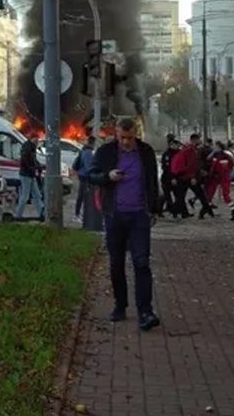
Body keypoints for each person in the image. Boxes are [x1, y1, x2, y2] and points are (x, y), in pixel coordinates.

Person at [88, 117, 162, 332]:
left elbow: (152, 182)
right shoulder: (106, 152)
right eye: (122, 138)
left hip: (139, 215)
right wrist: (107, 176)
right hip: (115, 215)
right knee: (116, 263)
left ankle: (145, 311)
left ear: (136, 134)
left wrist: (154, 209)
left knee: (141, 262)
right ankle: (120, 305)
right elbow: (90, 175)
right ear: (116, 134)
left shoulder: (145, 152)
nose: (126, 142)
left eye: (130, 138)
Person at [172, 133, 211, 219]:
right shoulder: (190, 150)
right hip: (187, 177)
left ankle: (180, 212)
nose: (200, 141)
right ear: (194, 140)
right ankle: (205, 209)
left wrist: (199, 171)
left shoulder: (190, 149)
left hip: (184, 176)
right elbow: (190, 165)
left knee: (181, 196)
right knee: (199, 194)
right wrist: (193, 177)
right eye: (199, 139)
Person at [207, 141, 234, 221]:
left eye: (216, 147)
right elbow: (209, 160)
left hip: (223, 177)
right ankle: (206, 209)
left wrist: (229, 173)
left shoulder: (226, 156)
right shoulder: (215, 155)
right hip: (215, 177)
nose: (214, 148)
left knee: (226, 195)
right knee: (209, 193)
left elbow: (231, 165)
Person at [16, 136, 45, 220]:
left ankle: (42, 213)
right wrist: (34, 167)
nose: (37, 142)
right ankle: (18, 215)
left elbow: (32, 160)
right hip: (26, 174)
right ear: (33, 139)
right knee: (25, 196)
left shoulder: (29, 147)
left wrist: (38, 166)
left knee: (37, 195)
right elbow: (26, 161)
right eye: (36, 140)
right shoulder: (28, 148)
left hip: (30, 174)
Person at [73, 136, 96, 223]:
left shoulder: (83, 150)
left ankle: (77, 214)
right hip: (85, 176)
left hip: (81, 175)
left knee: (81, 196)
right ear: (92, 143)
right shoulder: (88, 152)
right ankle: (78, 214)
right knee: (84, 196)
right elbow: (88, 166)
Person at [159, 135, 181, 219]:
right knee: (167, 196)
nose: (177, 147)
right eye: (176, 145)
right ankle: (163, 210)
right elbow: (166, 167)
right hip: (167, 178)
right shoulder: (167, 154)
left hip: (176, 177)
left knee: (177, 196)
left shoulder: (179, 153)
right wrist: (172, 178)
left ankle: (174, 210)